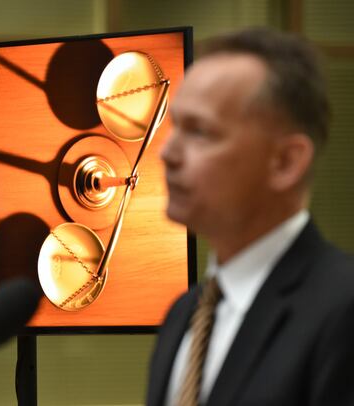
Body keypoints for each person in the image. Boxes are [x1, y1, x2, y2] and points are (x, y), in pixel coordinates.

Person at [146, 28, 354, 406]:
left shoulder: (343, 307)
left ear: (286, 162)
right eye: (175, 126)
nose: (168, 154)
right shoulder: (183, 314)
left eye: (200, 132)